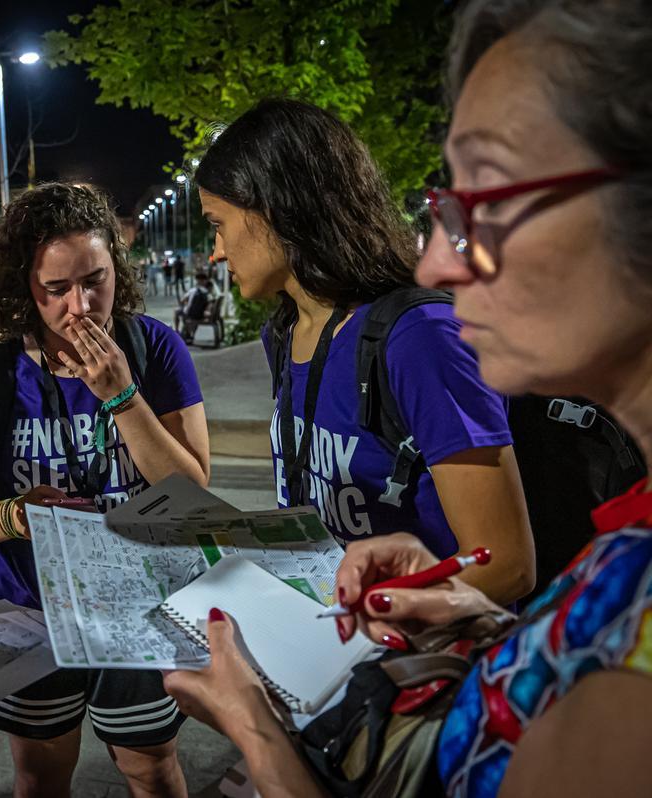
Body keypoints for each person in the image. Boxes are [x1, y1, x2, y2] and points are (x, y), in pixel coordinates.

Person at [164, 0, 652, 795]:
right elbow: (550, 649)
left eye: (489, 198)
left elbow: (515, 567)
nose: (437, 267)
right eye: (444, 210)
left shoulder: (417, 333)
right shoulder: (623, 567)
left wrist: (253, 730)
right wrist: (465, 609)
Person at [195, 98, 534, 607]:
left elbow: (506, 565)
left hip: (420, 660)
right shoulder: (286, 333)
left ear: (274, 210)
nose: (215, 251)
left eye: (218, 223)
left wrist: (369, 614)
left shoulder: (422, 338)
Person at [0, 183, 211, 798]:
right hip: (29, 613)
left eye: (96, 280)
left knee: (151, 770)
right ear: (22, 289)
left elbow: (193, 492)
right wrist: (9, 516)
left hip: (139, 609)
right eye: (55, 290)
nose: (80, 307)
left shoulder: (154, 349)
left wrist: (120, 395)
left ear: (118, 266)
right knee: (40, 775)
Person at [177, 275, 213, 344]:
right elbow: (210, 304)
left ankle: (182, 332)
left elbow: (182, 300)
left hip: (193, 314)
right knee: (182, 313)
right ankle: (188, 334)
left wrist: (186, 304)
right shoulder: (207, 293)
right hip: (200, 314)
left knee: (180, 313)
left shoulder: (194, 290)